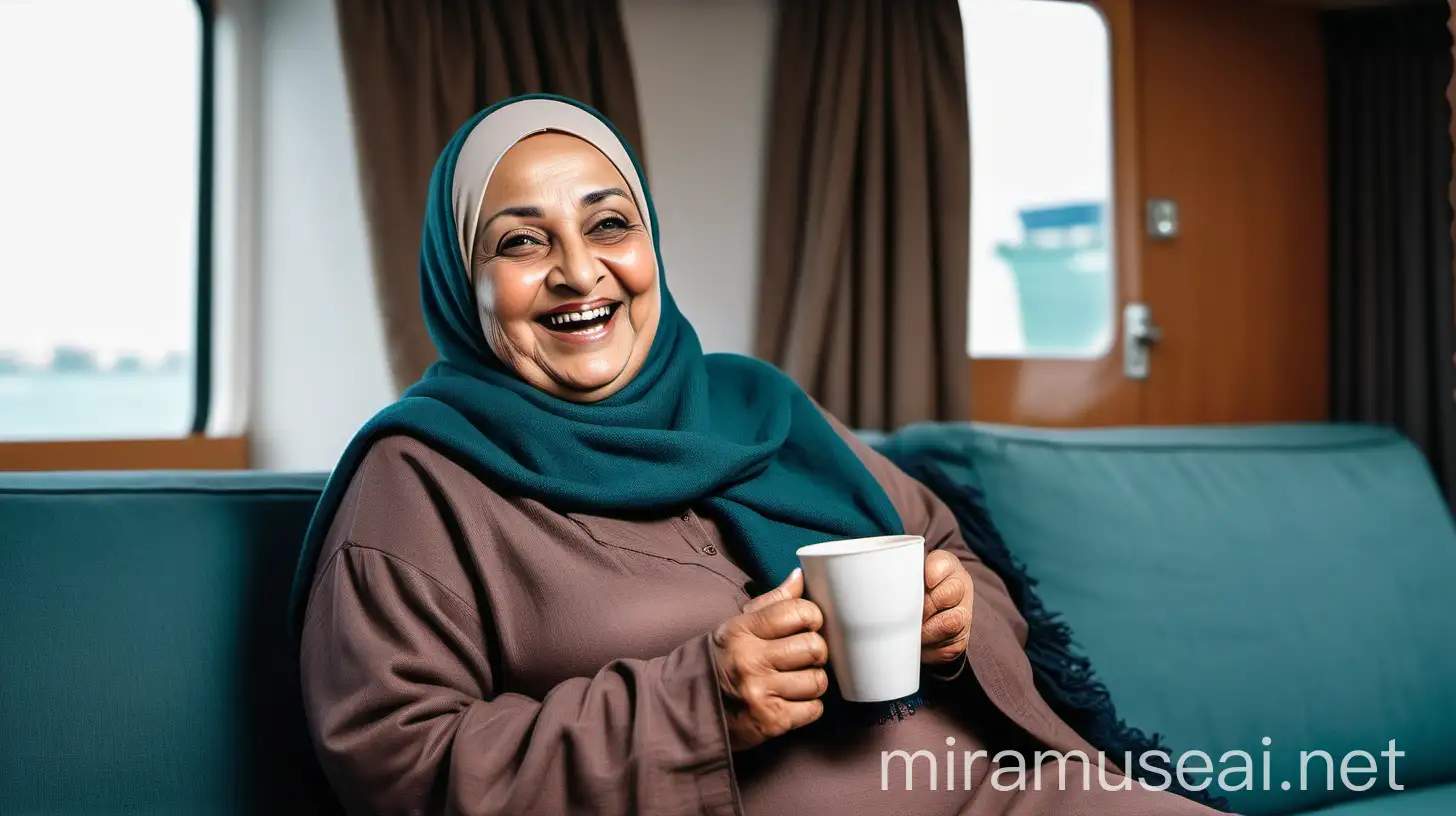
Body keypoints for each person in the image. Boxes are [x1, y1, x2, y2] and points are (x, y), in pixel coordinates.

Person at [292, 94, 1224, 816]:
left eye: (610, 224)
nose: (580, 272)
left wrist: (953, 614)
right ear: (462, 281)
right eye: (521, 242)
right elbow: (402, 774)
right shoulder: (417, 482)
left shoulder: (756, 404)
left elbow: (949, 547)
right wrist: (700, 704)